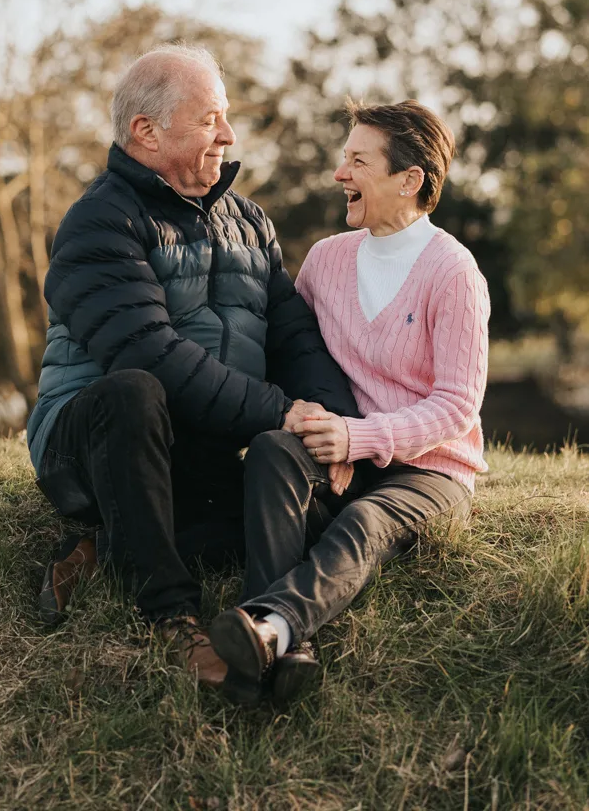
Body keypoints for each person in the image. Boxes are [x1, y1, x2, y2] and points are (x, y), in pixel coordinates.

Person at [26, 43, 359, 687]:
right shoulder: (97, 225)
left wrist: (334, 427)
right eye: (209, 118)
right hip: (95, 444)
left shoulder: (250, 223)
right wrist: (281, 411)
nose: (229, 135)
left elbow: (296, 339)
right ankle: (170, 613)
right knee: (135, 390)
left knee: (294, 508)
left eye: (225, 116)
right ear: (145, 131)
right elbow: (149, 352)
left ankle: (107, 547)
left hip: (198, 443)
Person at [210, 99, 490, 704]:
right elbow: (296, 356)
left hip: (432, 470)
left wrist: (359, 438)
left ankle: (270, 628)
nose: (341, 174)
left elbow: (457, 406)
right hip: (346, 454)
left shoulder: (454, 272)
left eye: (358, 161)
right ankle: (287, 647)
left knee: (365, 520)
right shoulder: (326, 260)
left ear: (409, 180)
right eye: (344, 159)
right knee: (271, 452)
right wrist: (324, 431)